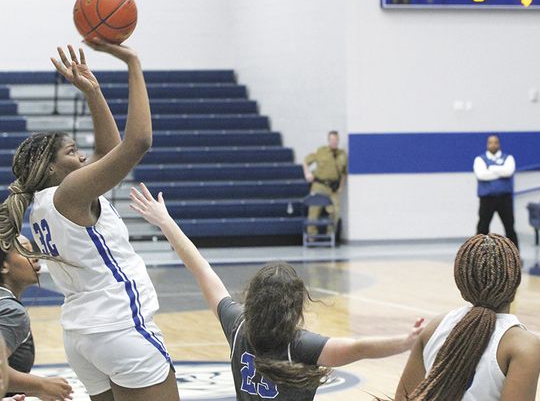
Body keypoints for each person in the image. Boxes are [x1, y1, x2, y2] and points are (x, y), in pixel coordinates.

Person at [0, 42, 180, 401]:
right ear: (50, 168)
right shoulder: (69, 193)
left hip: (83, 336)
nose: (83, 155)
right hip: (119, 325)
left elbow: (109, 150)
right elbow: (138, 142)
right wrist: (133, 62)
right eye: (71, 151)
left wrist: (93, 92)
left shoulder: (40, 204)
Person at [129, 183, 425, 400]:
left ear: (253, 298)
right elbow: (358, 348)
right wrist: (405, 342)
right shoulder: (299, 346)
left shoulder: (238, 325)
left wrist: (166, 222)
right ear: (296, 306)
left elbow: (201, 268)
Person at [395, 234, 540, 400]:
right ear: (516, 281)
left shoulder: (434, 328)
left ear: (462, 286)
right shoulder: (523, 345)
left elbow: (403, 398)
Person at [0, 236, 72, 400]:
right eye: (25, 250)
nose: (35, 257)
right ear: (4, 265)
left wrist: (33, 390)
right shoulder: (11, 311)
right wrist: (42, 385)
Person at [474, 135, 518, 249]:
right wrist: (500, 170)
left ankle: (514, 256)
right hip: (487, 199)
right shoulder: (480, 159)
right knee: (482, 228)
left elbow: (508, 172)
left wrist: (491, 168)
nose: (493, 145)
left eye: (495, 142)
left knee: (510, 227)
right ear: (487, 144)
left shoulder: (508, 158)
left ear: (499, 144)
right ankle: (478, 255)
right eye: (490, 142)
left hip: (505, 199)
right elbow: (481, 175)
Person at [303, 131, 347, 236]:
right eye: (331, 140)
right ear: (328, 140)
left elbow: (344, 173)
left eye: (335, 140)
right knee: (314, 211)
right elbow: (306, 161)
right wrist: (307, 173)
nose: (334, 142)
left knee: (335, 211)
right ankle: (311, 236)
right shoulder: (321, 151)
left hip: (333, 188)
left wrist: (341, 187)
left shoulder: (342, 155)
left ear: (338, 140)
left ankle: (330, 235)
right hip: (319, 185)